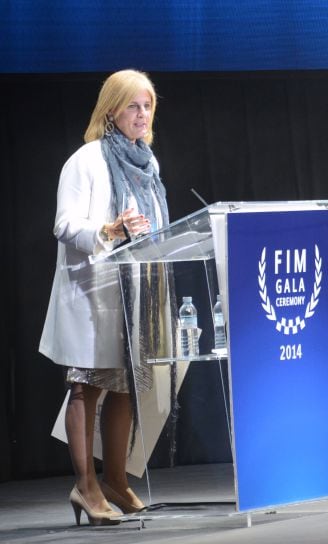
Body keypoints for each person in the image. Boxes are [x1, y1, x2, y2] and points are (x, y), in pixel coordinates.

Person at [39, 69, 173, 524]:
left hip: (133, 293)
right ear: (112, 110)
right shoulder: (86, 160)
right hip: (91, 291)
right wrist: (108, 231)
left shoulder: (147, 163)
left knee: (124, 389)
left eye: (148, 105)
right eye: (133, 105)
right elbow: (63, 225)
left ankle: (115, 479)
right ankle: (86, 486)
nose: (142, 114)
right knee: (87, 387)